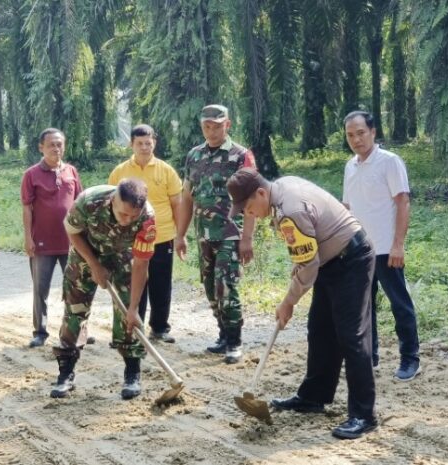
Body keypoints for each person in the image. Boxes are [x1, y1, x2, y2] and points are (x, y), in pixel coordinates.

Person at [226, 168, 377, 439]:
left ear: (261, 193)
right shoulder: (281, 187)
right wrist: (295, 280)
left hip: (350, 259)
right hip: (331, 260)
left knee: (351, 336)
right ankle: (314, 396)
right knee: (320, 329)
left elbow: (308, 265)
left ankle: (363, 415)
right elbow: (306, 255)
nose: (249, 214)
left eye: (248, 208)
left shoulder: (289, 211)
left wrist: (288, 302)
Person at [50, 178, 156, 400]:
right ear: (113, 200)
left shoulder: (147, 217)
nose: (127, 221)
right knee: (75, 311)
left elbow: (141, 263)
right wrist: (94, 264)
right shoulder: (89, 201)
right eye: (123, 214)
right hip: (85, 253)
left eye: (132, 216)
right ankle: (66, 374)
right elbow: (72, 231)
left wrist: (134, 307)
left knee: (129, 314)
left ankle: (132, 373)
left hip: (123, 255)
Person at [342, 110, 421, 381]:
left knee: (399, 303)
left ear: (373, 132)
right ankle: (369, 356)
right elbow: (348, 207)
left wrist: (398, 244)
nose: (356, 139)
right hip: (359, 249)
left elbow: (403, 202)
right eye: (350, 135)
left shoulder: (389, 162)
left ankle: (410, 358)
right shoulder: (349, 166)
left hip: (387, 248)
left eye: (361, 133)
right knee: (363, 307)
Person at [175, 104, 256, 364]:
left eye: (217, 126)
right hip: (203, 235)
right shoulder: (194, 156)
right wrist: (181, 235)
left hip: (231, 233)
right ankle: (222, 334)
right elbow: (187, 197)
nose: (211, 131)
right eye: (207, 126)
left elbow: (253, 198)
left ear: (227, 125)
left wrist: (247, 238)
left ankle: (234, 341)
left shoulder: (240, 155)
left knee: (226, 286)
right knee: (210, 286)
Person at [109, 124, 182, 343]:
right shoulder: (120, 172)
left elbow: (177, 203)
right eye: (139, 143)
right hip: (129, 238)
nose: (144, 147)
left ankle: (159, 328)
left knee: (161, 283)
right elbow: (111, 204)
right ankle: (132, 325)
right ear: (131, 144)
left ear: (154, 143)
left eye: (148, 143)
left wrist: (180, 234)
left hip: (162, 236)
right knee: (132, 281)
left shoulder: (166, 170)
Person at [21, 128, 83, 348]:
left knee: (77, 288)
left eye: (59, 144)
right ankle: (40, 332)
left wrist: (85, 238)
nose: (56, 149)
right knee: (41, 289)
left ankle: (79, 331)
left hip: (71, 243)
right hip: (42, 242)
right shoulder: (31, 174)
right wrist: (28, 238)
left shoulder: (71, 172)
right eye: (51, 145)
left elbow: (79, 204)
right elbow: (27, 208)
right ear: (41, 148)